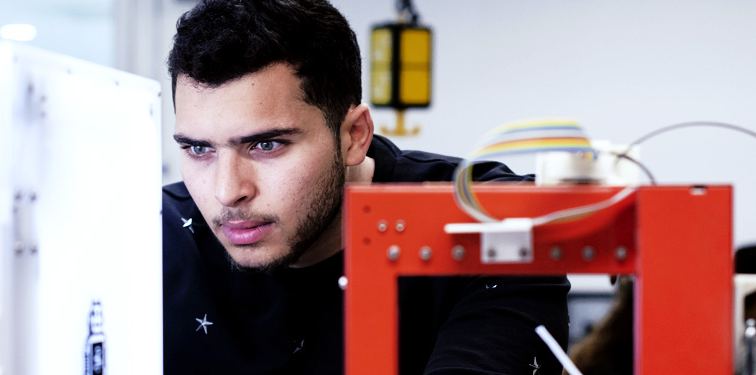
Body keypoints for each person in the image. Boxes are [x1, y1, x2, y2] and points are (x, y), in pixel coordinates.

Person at [161, 0, 571, 374]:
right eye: (199, 149)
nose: (227, 192)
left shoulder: (491, 225)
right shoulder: (148, 238)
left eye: (267, 144)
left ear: (355, 135)